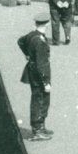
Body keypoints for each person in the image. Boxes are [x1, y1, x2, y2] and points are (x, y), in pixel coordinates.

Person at [18, 12, 52, 141]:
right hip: (39, 74)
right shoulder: (41, 41)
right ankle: (38, 129)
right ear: (47, 24)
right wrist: (46, 82)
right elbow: (42, 65)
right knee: (40, 99)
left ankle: (40, 126)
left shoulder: (32, 35)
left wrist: (27, 53)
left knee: (39, 97)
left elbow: (20, 41)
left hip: (32, 70)